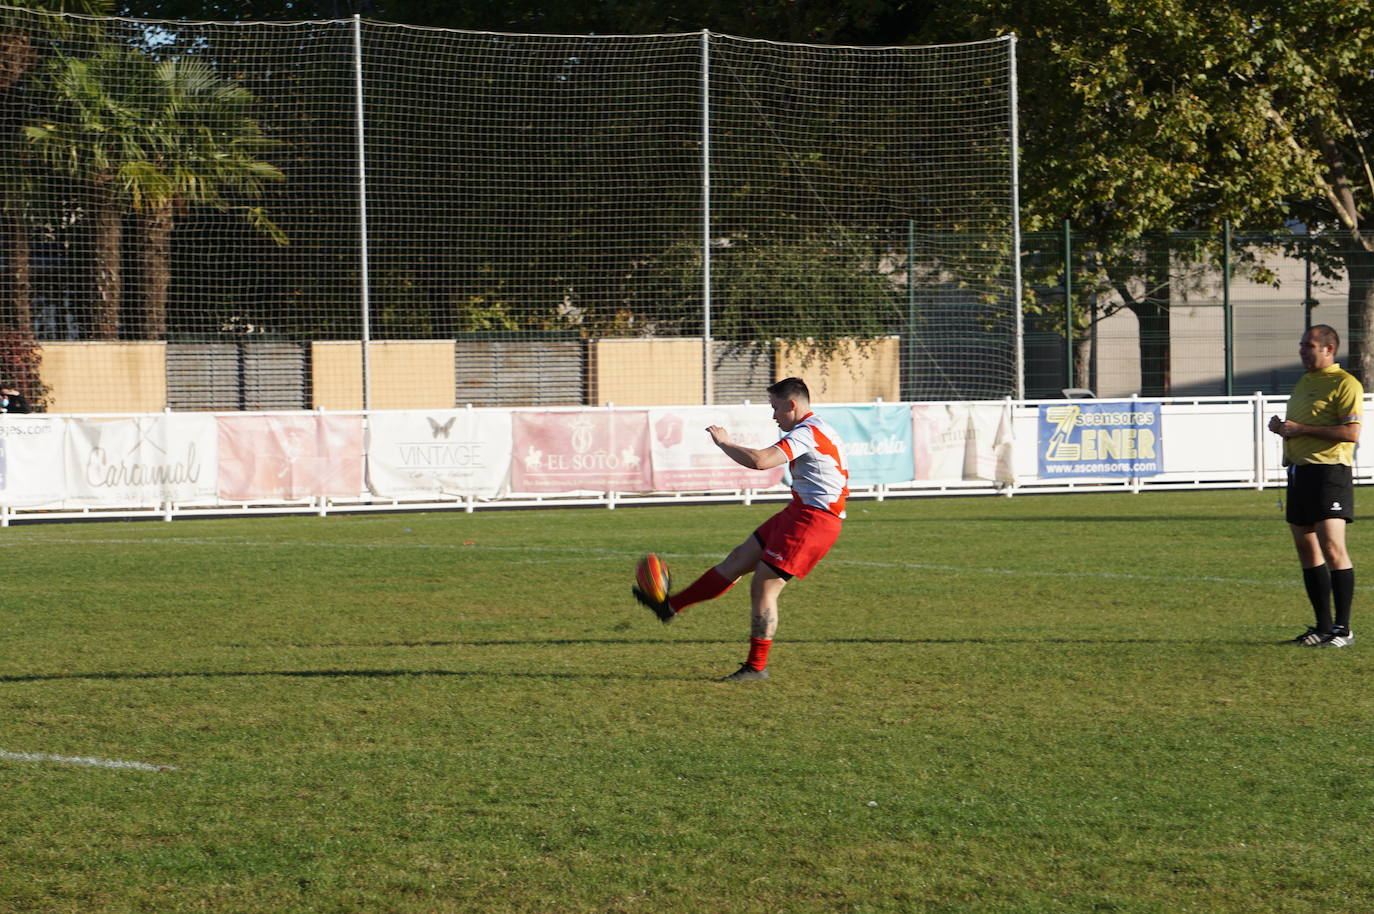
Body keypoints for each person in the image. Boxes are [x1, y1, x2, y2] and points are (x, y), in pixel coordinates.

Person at [633, 377, 850, 680]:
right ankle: (669, 607)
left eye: (776, 409)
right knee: (737, 560)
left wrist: (724, 443)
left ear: (792, 404)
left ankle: (756, 667)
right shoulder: (815, 428)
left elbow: (761, 461)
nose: (774, 416)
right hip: (799, 512)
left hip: (814, 521)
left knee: (763, 586)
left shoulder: (808, 433)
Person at [1268, 324, 1363, 647]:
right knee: (1306, 549)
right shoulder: (1305, 382)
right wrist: (1282, 429)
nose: (1302, 350)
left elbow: (1351, 433)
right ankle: (1322, 627)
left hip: (1329, 472)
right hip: (1300, 473)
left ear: (1329, 349)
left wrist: (1301, 429)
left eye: (1309, 345)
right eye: (1301, 344)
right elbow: (1300, 428)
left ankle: (1343, 628)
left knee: (1333, 547)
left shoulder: (1345, 383)